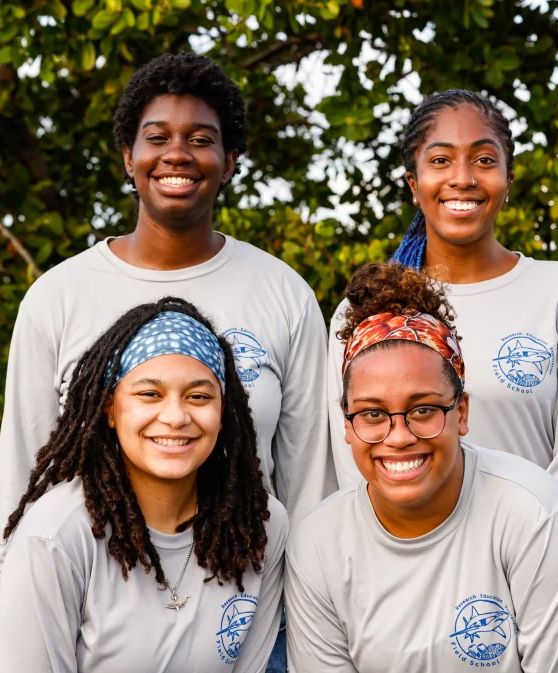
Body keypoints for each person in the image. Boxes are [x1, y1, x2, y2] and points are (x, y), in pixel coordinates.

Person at [0, 51, 336, 551]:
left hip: (249, 605)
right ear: (127, 158)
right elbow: (24, 473)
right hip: (89, 610)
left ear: (229, 164)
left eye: (201, 140)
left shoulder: (282, 293)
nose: (177, 154)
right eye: (157, 138)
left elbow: (309, 482)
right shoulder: (59, 295)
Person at [287, 263, 558, 673]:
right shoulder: (317, 545)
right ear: (347, 424)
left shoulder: (537, 516)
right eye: (371, 414)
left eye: (423, 409)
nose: (399, 435)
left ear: (461, 412)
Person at [0, 296, 287, 672]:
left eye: (198, 396)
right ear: (110, 408)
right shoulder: (55, 538)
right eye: (149, 394)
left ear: (224, 410)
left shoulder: (259, 527)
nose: (175, 416)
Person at [328, 89, 558, 497]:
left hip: (535, 546)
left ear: (508, 178)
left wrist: (533, 541)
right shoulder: (365, 311)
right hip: (407, 552)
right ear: (414, 183)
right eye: (441, 160)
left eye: (484, 160)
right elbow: (356, 464)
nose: (463, 178)